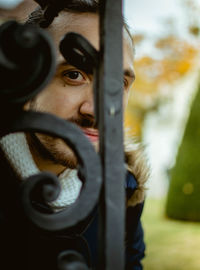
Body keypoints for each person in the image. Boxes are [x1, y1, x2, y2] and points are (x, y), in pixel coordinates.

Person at [0, 0, 149, 269]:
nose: (96, 110)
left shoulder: (124, 190)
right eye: (74, 74)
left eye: (116, 84)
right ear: (26, 81)